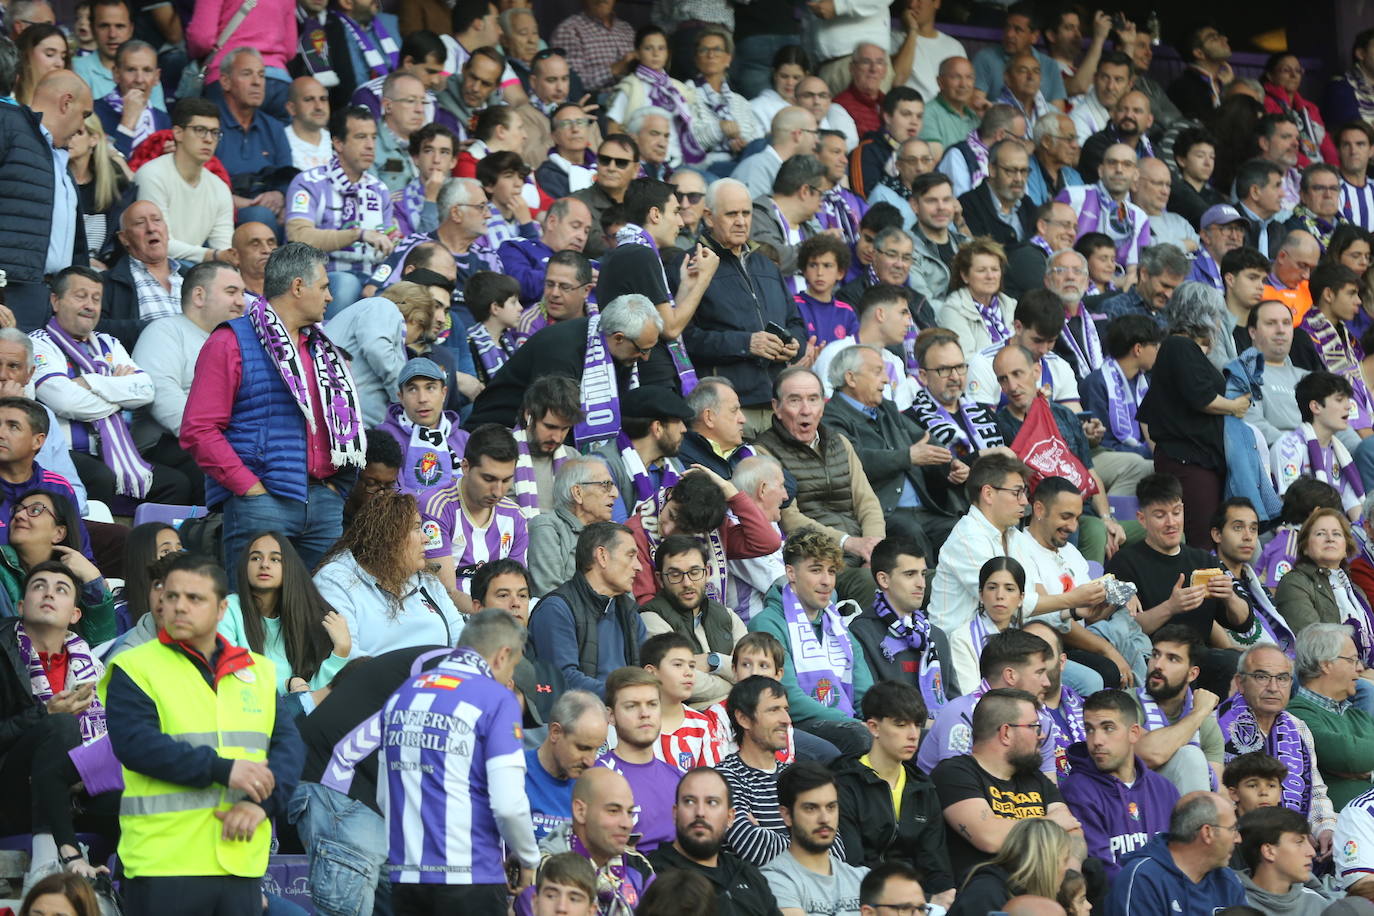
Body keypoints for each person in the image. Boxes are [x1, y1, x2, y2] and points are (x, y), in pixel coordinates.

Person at [102, 553, 303, 915]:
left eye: (194, 598)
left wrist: (263, 806)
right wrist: (225, 769)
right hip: (163, 863)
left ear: (222, 609)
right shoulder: (134, 665)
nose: (179, 606)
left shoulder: (258, 671)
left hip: (239, 861)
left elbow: (289, 748)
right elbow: (136, 745)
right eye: (171, 596)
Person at [326, 609, 539, 910]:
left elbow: (386, 796)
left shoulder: (403, 695)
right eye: (513, 667)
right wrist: (528, 857)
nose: (507, 679)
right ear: (503, 655)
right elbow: (508, 804)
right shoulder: (494, 697)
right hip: (471, 875)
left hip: (406, 876)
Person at [182, 243, 365, 576]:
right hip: (261, 503)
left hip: (324, 502)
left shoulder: (324, 350)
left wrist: (337, 491)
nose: (330, 297)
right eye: (324, 287)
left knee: (322, 618)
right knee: (254, 619)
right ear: (297, 287)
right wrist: (250, 489)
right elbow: (199, 429)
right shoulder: (230, 341)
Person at [32, 266, 197, 507]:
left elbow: (146, 391)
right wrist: (119, 393)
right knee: (101, 478)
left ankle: (152, 544)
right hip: (66, 454)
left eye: (96, 299)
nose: (90, 305)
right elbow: (66, 401)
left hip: (118, 454)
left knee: (176, 484)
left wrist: (91, 382)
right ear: (55, 301)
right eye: (81, 296)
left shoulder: (109, 343)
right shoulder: (39, 344)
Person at [0, 562, 118, 880]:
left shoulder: (93, 668)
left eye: (61, 589)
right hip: (11, 791)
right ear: (22, 606)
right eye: (39, 586)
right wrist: (45, 714)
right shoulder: (3, 655)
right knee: (61, 725)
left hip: (74, 794)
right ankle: (48, 860)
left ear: (75, 615)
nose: (49, 593)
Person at [671, 178, 805, 417]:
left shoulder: (767, 265)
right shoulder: (690, 264)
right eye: (732, 214)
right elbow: (684, 339)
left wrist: (794, 344)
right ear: (709, 217)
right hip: (727, 407)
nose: (741, 222)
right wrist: (746, 344)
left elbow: (795, 322)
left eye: (746, 213)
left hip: (777, 401)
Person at [465, 293, 674, 441]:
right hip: (501, 431)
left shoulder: (617, 346)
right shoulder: (561, 352)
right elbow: (552, 421)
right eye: (642, 350)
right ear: (618, 338)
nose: (645, 358)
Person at [822, 344, 968, 555]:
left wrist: (951, 464)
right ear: (851, 378)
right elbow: (855, 460)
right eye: (877, 371)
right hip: (884, 513)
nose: (886, 379)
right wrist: (908, 456)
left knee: (960, 532)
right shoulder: (831, 416)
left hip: (925, 509)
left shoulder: (886, 408)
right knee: (911, 535)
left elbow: (926, 441)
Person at [931, 686, 1079, 882]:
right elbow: (990, 837)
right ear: (1006, 733)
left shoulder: (1034, 777)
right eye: (1034, 726)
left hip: (1049, 882)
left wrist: (1067, 875)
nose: (1041, 735)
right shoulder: (954, 773)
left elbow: (1074, 832)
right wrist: (1050, 823)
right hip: (992, 893)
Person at [752, 368, 885, 585]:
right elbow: (789, 518)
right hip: (816, 559)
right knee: (870, 583)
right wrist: (847, 542)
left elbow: (867, 502)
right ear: (777, 407)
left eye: (813, 399)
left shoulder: (839, 442)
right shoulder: (764, 452)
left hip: (860, 551)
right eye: (795, 401)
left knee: (919, 576)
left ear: (823, 405)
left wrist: (873, 548)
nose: (806, 410)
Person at [1135, 297, 1250, 546]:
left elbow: (1148, 410)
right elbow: (1202, 397)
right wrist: (1235, 406)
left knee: (1210, 534)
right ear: (1203, 317)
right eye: (1217, 318)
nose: (1220, 325)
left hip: (1198, 459)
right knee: (1202, 535)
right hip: (1189, 461)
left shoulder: (1184, 351)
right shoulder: (1178, 346)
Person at [747, 528, 872, 754]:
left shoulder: (838, 625)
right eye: (816, 570)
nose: (827, 581)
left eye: (832, 571)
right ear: (791, 573)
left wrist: (879, 722)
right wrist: (853, 722)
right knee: (857, 737)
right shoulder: (767, 624)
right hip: (794, 723)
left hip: (847, 722)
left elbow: (865, 693)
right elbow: (787, 697)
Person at [833, 681, 954, 905]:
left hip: (918, 900)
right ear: (873, 727)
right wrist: (923, 900)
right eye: (900, 724)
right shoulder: (844, 782)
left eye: (917, 725)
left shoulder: (922, 786)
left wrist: (943, 896)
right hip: (863, 898)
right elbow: (853, 863)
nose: (913, 735)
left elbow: (935, 864)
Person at [313, 489, 462, 655]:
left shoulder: (428, 581)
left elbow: (461, 641)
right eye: (416, 528)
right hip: (374, 679)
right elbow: (346, 656)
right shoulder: (336, 581)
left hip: (438, 677)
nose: (426, 539)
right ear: (389, 537)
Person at [1219, 644, 1335, 855]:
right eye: (1262, 677)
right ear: (1240, 682)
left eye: (1282, 678)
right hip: (1238, 844)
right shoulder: (1216, 725)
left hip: (1295, 846)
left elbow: (1316, 791)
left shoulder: (1298, 727)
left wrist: (1325, 828)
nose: (1273, 687)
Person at [1059, 688, 1180, 879]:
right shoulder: (1077, 791)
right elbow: (1102, 872)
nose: (1096, 741)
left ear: (1133, 733)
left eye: (1108, 728)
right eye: (1089, 729)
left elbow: (1182, 859)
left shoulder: (1164, 789)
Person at [285, 106, 397, 312]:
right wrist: (358, 235)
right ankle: (327, 343)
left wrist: (377, 281)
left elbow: (388, 246)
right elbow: (297, 236)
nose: (371, 145)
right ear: (338, 143)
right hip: (320, 279)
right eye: (361, 137)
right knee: (347, 284)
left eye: (373, 137)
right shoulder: (308, 182)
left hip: (370, 279)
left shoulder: (379, 189)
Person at [218, 531, 350, 696]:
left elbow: (313, 696)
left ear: (289, 567)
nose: (264, 564)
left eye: (275, 559)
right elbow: (229, 676)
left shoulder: (299, 618)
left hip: (293, 716)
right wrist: (287, 684)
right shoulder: (228, 609)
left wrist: (341, 651)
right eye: (255, 558)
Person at [529, 521, 646, 695]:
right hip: (579, 716)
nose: (639, 566)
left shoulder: (630, 613)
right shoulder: (556, 609)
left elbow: (646, 672)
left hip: (625, 712)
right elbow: (563, 680)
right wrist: (623, 695)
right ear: (602, 556)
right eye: (630, 555)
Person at [518, 767, 654, 916]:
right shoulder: (542, 868)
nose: (626, 824)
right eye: (613, 811)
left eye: (629, 812)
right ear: (580, 811)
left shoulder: (639, 866)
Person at [645, 766, 779, 916]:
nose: (700, 812)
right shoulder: (651, 874)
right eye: (689, 801)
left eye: (712, 802)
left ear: (730, 817)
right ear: (675, 813)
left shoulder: (748, 874)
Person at [134, 97, 236, 266]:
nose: (209, 139)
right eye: (200, 130)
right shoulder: (152, 175)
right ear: (178, 133)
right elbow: (158, 242)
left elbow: (224, 248)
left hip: (194, 268)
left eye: (215, 132)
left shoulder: (219, 187)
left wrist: (221, 257)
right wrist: (213, 255)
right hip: (150, 266)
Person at [760, 762, 870, 916]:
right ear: (786, 815)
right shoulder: (773, 880)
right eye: (811, 808)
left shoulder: (862, 878)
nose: (824, 818)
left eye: (831, 807)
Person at [593, 664, 679, 853]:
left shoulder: (680, 778)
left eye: (652, 704)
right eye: (632, 706)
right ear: (611, 716)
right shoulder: (596, 778)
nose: (645, 713)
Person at [527, 456, 618, 597]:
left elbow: (624, 592)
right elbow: (550, 596)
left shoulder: (611, 533)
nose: (615, 494)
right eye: (606, 485)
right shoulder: (547, 528)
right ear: (578, 492)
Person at [526, 689, 609, 842]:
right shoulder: (515, 773)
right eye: (583, 748)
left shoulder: (595, 785)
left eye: (596, 749)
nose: (590, 761)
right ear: (555, 732)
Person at [946, 818, 1073, 916]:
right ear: (1047, 863)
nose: (1068, 869)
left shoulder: (1025, 890)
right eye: (1065, 860)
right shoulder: (986, 894)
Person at [505, 374, 582, 518]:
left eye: (565, 429)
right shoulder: (499, 450)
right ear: (529, 415)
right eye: (550, 427)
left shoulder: (573, 459)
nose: (557, 437)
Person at [1236, 805, 1327, 916]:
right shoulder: (1229, 901)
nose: (1312, 852)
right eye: (1299, 842)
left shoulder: (1317, 905)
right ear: (1269, 852)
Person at [91, 41, 169, 159]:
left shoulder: (163, 119)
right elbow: (107, 167)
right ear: (116, 74)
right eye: (131, 70)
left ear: (157, 76)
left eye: (147, 70)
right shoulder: (93, 113)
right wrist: (128, 122)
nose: (139, 79)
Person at [959, 140, 1037, 248]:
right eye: (1011, 170)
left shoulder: (1027, 204)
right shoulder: (969, 205)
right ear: (992, 169)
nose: (1019, 179)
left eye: (1024, 171)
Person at [284, 76, 333, 172]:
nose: (319, 106)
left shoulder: (338, 141)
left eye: (323, 99)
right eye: (309, 99)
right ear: (291, 108)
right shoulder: (280, 142)